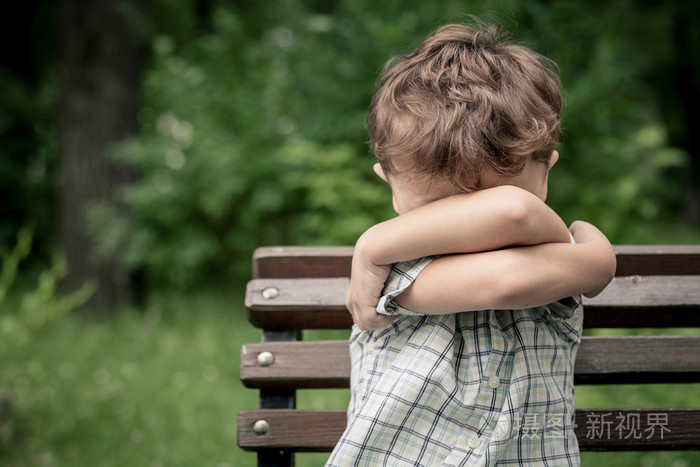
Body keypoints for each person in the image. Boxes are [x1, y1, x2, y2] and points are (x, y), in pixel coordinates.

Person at [326, 22, 617, 466]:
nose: (471, 228)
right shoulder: (390, 273)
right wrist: (375, 245)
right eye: (440, 208)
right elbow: (513, 237)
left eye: (482, 201)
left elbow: (517, 219)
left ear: (547, 172)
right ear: (387, 181)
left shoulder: (381, 257)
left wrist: (373, 244)